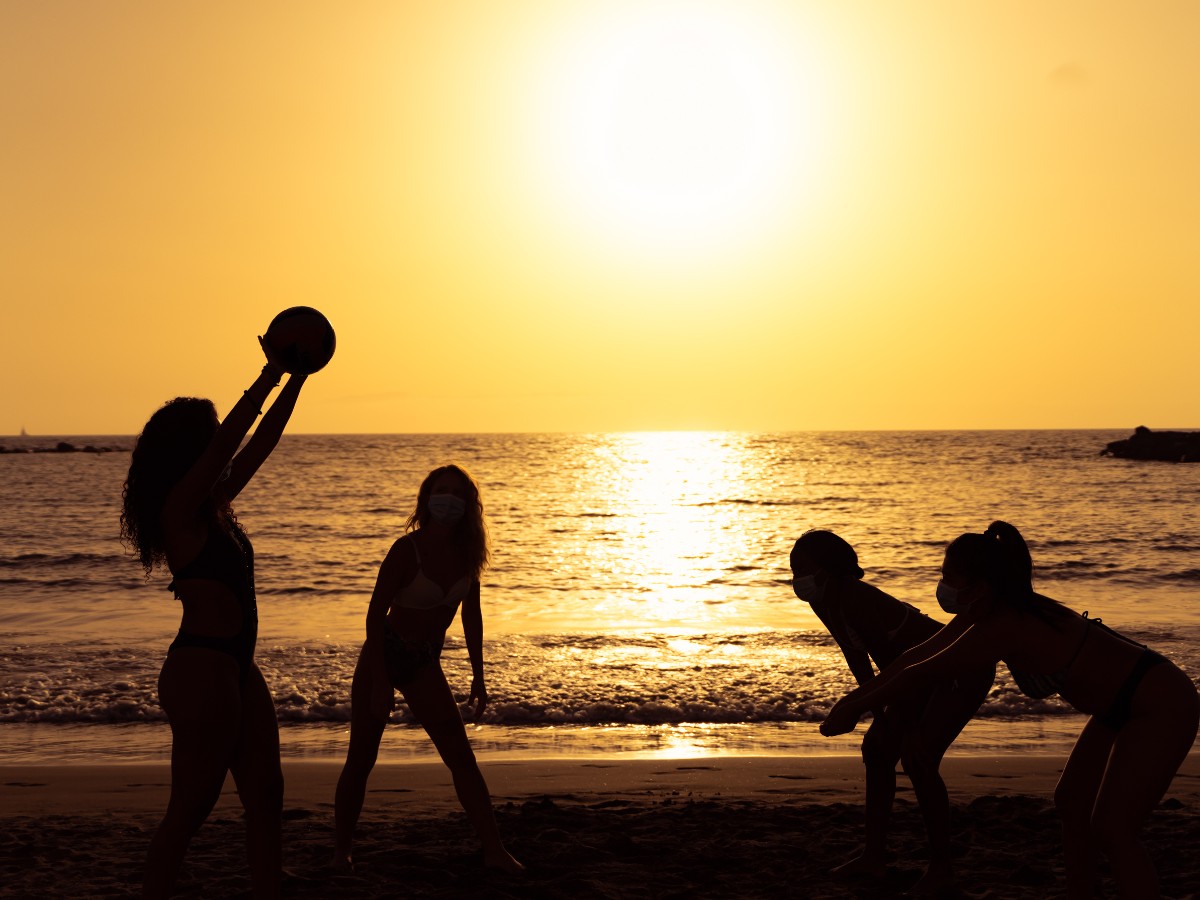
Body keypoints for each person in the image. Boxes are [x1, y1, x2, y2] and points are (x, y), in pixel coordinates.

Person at [821, 521, 1200, 899]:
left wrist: (855, 707)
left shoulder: (1007, 624)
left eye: (949, 576)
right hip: (1117, 709)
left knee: (1114, 830)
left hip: (1158, 702)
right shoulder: (986, 612)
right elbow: (915, 656)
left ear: (981, 584)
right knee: (1070, 802)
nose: (943, 585)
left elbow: (926, 672)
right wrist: (851, 703)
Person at [120, 340, 311, 898]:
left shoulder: (215, 506)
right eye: (208, 434)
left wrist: (298, 378)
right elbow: (232, 437)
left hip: (237, 664)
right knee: (193, 804)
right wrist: (268, 372)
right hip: (200, 666)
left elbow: (261, 442)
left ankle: (267, 884)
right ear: (191, 448)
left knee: (266, 792)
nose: (218, 440)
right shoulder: (177, 512)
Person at [333, 464, 523, 874]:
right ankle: (341, 851)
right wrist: (380, 683)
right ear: (426, 499)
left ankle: (494, 849)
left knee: (461, 758)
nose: (449, 499)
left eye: (458, 493)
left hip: (424, 662)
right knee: (361, 759)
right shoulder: (407, 549)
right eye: (442, 491)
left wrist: (479, 674)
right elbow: (372, 616)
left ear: (468, 504)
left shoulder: (469, 554)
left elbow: (472, 615)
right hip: (384, 654)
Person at [792, 530, 994, 893]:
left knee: (918, 759)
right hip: (911, 675)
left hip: (956, 669)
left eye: (802, 569)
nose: (796, 579)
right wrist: (875, 710)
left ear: (828, 569)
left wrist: (861, 706)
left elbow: (906, 663)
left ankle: (941, 868)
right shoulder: (822, 599)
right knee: (877, 749)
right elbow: (856, 654)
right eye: (792, 570)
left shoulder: (855, 597)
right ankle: (874, 857)